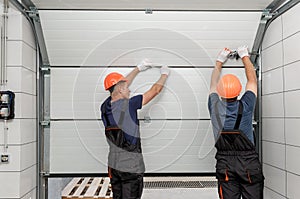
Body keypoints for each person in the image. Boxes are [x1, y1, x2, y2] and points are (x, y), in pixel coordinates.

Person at [100, 60, 170, 199]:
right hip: (130, 165)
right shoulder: (130, 105)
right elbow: (155, 90)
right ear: (120, 89)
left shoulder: (105, 107)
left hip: (113, 164)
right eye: (126, 88)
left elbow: (120, 87)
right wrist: (164, 74)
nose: (130, 89)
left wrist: (138, 69)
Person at [208, 46, 264, 199]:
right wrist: (245, 56)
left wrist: (219, 60)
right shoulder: (246, 105)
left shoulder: (214, 106)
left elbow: (213, 84)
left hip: (225, 164)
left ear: (219, 92)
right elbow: (252, 80)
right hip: (248, 163)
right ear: (239, 91)